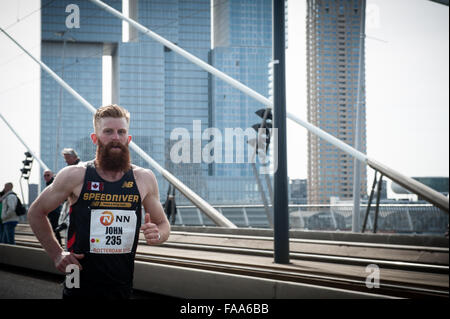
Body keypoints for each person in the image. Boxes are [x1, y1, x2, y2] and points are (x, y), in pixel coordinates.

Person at [28, 104, 170, 299]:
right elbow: (35, 212)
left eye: (121, 132)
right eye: (108, 132)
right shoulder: (75, 175)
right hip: (76, 275)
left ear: (128, 139)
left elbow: (163, 224)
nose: (115, 138)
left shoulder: (143, 178)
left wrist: (158, 235)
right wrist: (57, 253)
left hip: (121, 280)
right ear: (95, 139)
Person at [43, 170, 62, 246]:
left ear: (52, 175)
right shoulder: (48, 184)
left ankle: (58, 245)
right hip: (51, 211)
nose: (46, 177)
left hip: (55, 211)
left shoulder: (53, 183)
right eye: (44, 175)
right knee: (52, 230)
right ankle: (56, 245)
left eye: (48, 175)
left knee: (54, 229)